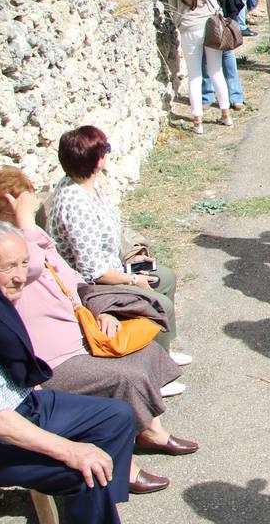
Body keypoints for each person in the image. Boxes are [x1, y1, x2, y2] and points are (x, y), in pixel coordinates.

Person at [0, 197, 192, 496]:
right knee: (125, 377)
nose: (19, 271)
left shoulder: (25, 255)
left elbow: (74, 280)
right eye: (17, 209)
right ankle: (124, 467)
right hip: (50, 361)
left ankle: (148, 433)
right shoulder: (1, 271)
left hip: (79, 336)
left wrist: (104, 312)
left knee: (147, 351)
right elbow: (33, 268)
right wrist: (25, 225)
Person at [0, 222, 144, 524]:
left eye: (23, 264)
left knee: (116, 418)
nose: (20, 277)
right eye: (8, 267)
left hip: (20, 404)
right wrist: (69, 449)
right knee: (82, 469)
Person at [35, 131, 182, 356]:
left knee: (166, 277)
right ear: (98, 160)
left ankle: (162, 349)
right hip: (93, 287)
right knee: (160, 302)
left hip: (111, 269)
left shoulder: (87, 186)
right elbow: (92, 272)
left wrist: (131, 259)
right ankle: (157, 365)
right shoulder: (76, 205)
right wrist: (133, 279)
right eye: (106, 150)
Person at [164, 0, 231, 134]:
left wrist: (179, 20)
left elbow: (172, 7)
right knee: (216, 70)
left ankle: (197, 120)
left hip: (189, 28)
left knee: (194, 75)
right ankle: (225, 113)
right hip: (211, 25)